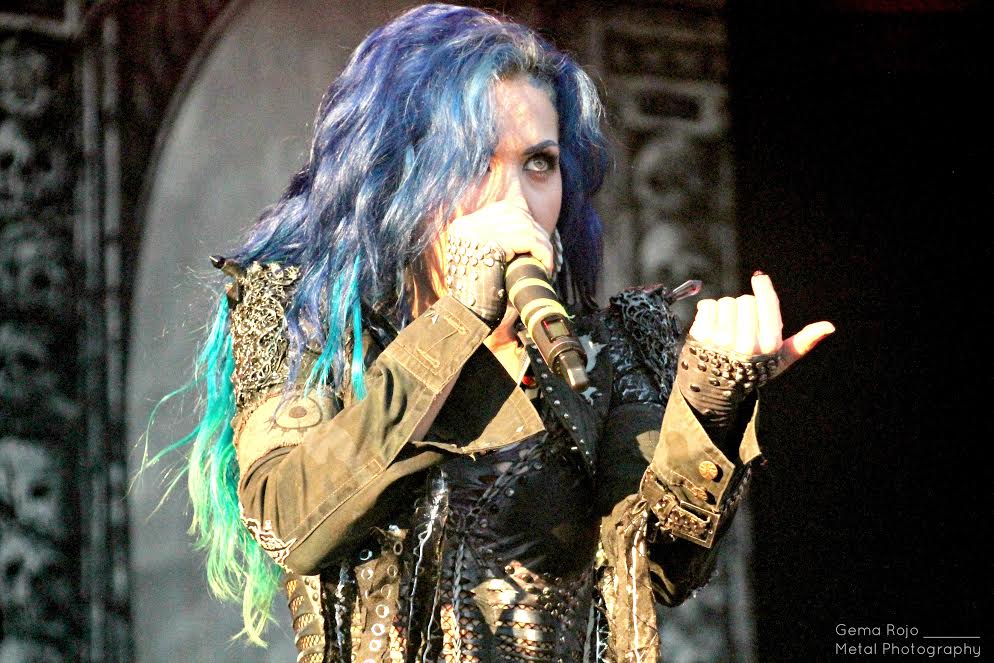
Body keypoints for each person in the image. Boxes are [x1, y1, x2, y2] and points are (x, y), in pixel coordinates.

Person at [173, 4, 834, 662]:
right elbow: (289, 523)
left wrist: (711, 404)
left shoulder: (597, 353)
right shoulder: (309, 321)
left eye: (538, 163)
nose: (515, 200)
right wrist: (459, 321)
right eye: (475, 162)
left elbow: (658, 566)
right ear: (397, 174)